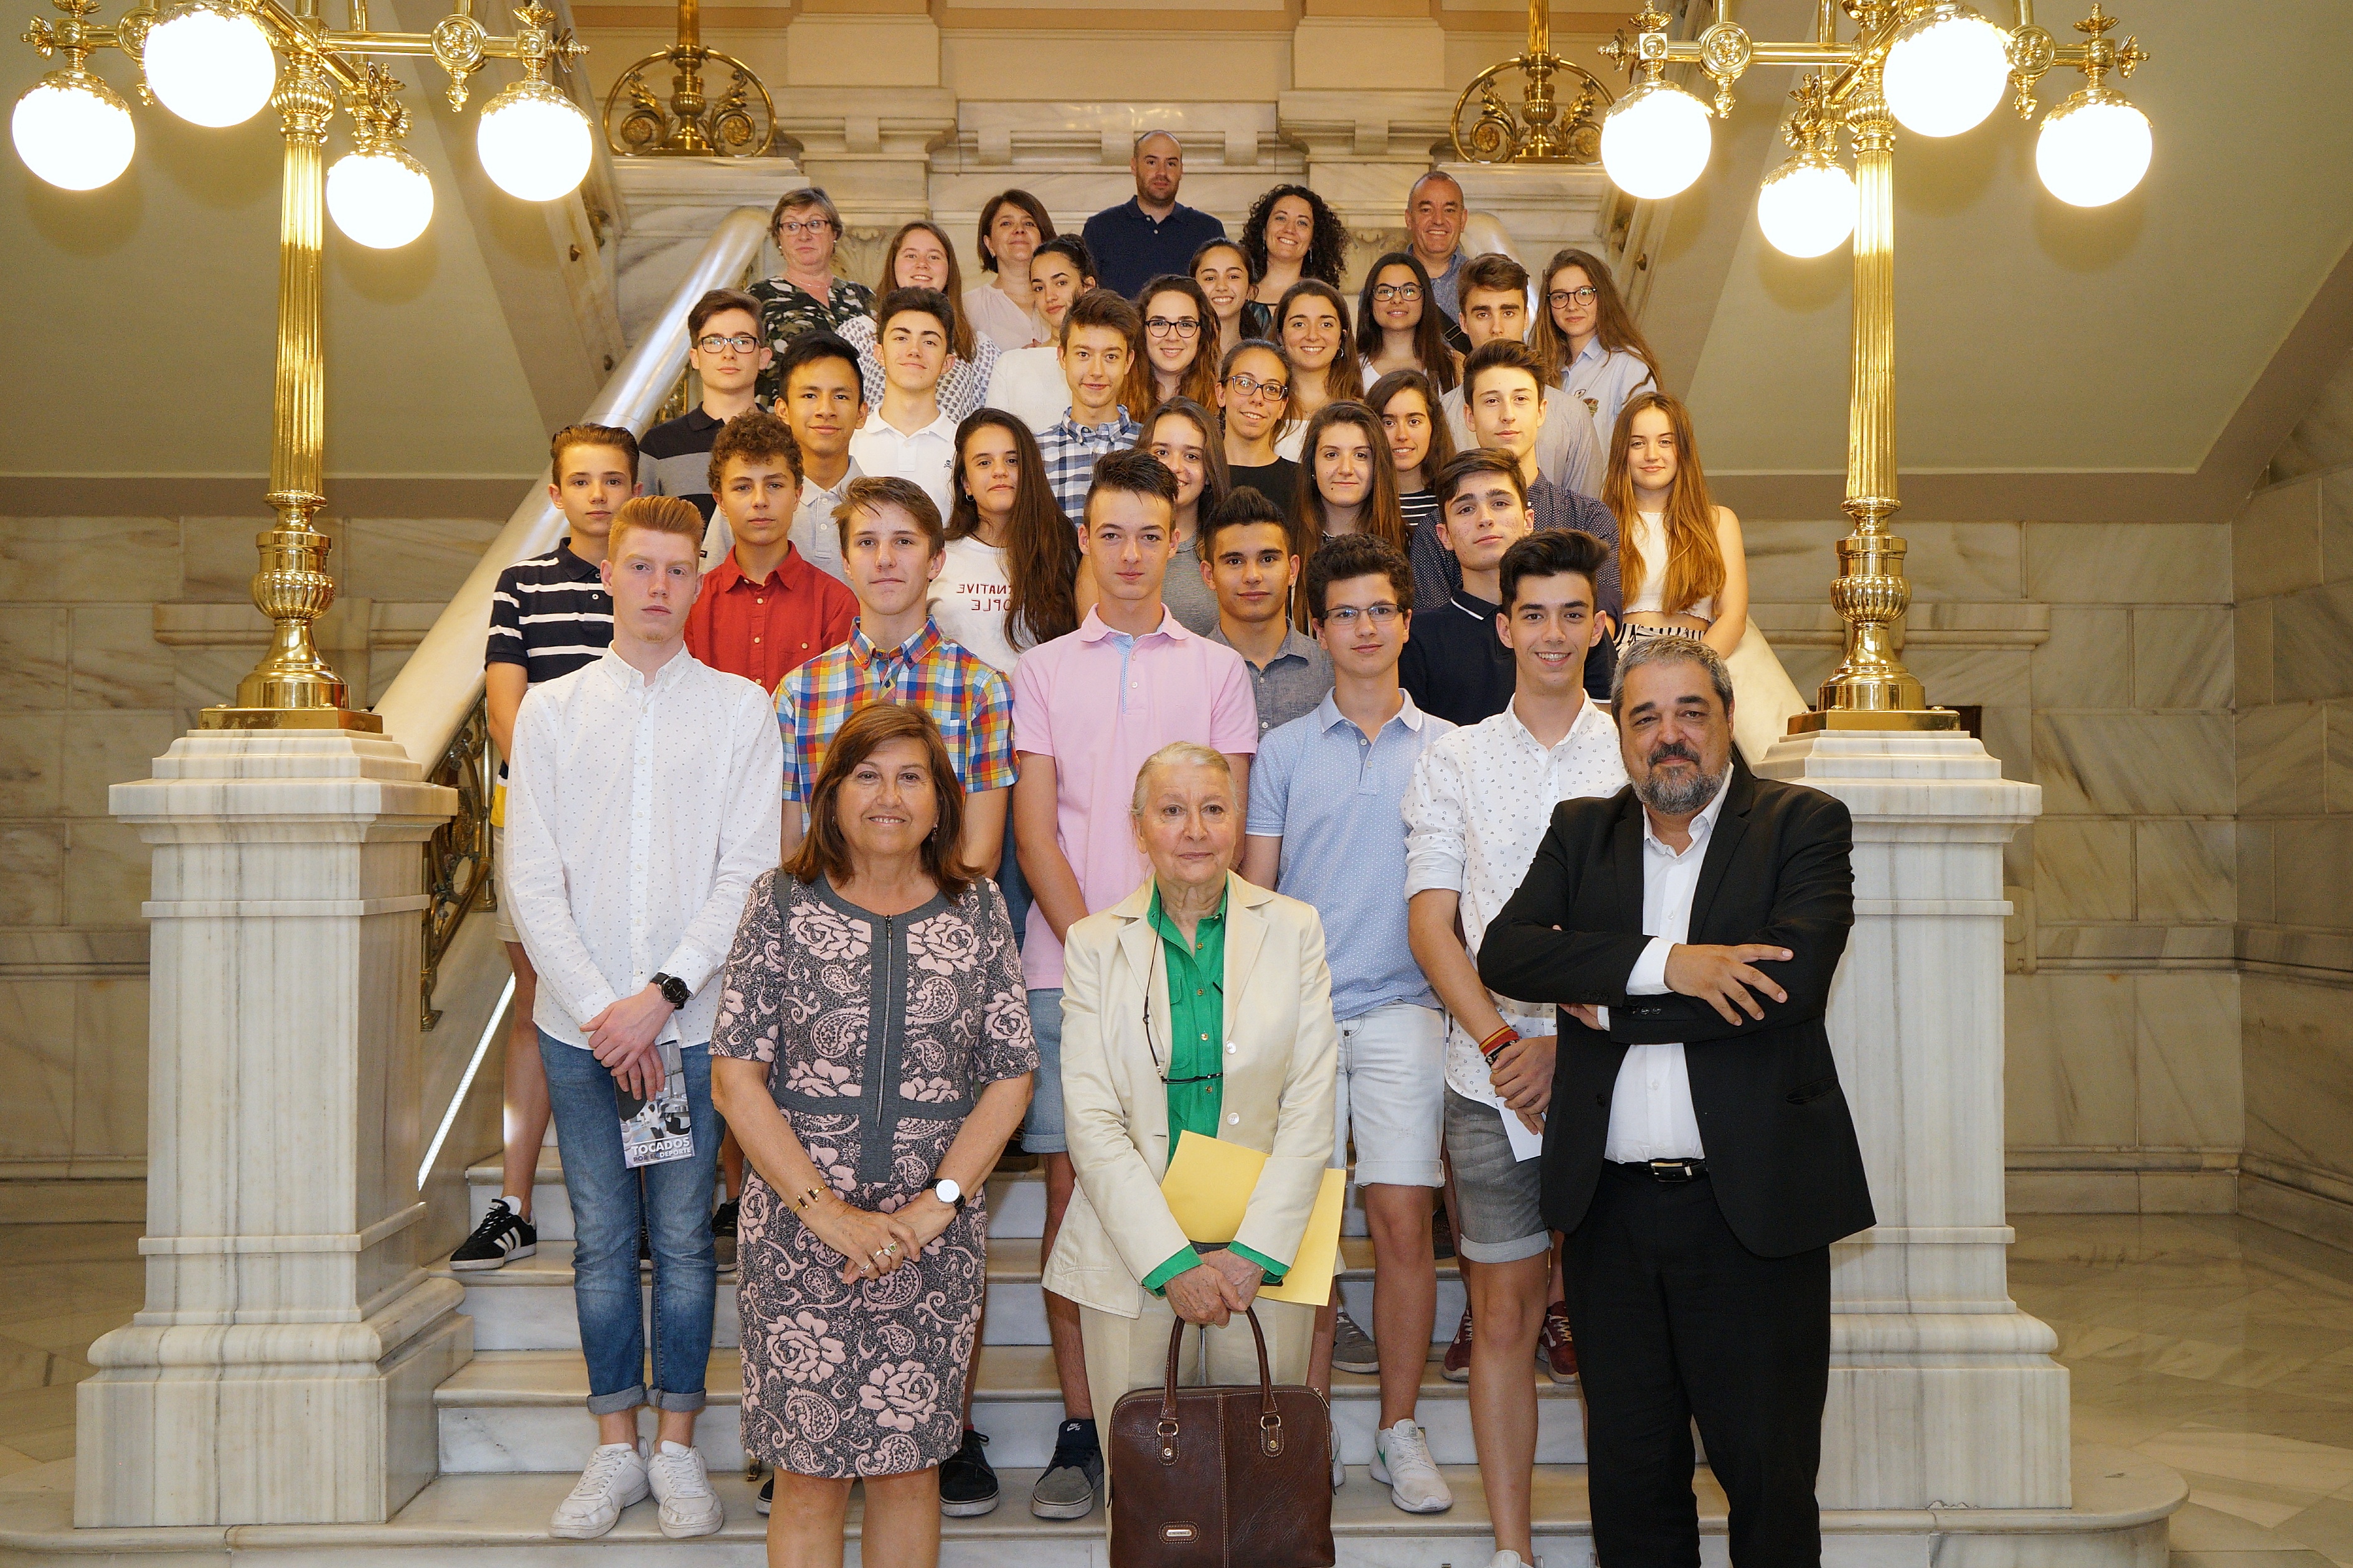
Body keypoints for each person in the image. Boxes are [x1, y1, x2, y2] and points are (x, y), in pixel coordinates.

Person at [1476, 634, 1869, 1568]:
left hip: (1751, 1214)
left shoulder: (1801, 823)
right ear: (1619, 733)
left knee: (1767, 1475)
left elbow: (1785, 987)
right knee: (1631, 1479)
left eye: (1690, 711)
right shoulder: (1582, 831)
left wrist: (1612, 1005)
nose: (1669, 735)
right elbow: (1508, 951)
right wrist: (1673, 964)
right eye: (1644, 716)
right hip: (1610, 1216)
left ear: (1726, 719)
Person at [504, 494, 783, 1542]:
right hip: (580, 1033)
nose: (659, 585)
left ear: (699, 577)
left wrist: (659, 997)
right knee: (601, 1242)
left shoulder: (741, 709)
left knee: (683, 1238)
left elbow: (747, 870)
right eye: (641, 566)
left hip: (693, 1025)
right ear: (607, 575)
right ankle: (614, 1443)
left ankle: (676, 1446)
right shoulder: (551, 709)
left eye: (678, 567)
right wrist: (601, 1010)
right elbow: (531, 877)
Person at [712, 700, 1037, 1560]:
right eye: (866, 774)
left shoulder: (978, 909)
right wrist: (831, 1216)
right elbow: (735, 1078)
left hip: (931, 1241)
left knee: (908, 1470)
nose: (888, 796)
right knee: (808, 1473)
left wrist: (933, 1207)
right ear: (831, 794)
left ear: (940, 802)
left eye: (909, 777)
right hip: (797, 1236)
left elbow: (1011, 1074)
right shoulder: (779, 902)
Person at [1009, 451, 1260, 1521]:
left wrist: (1166, 955)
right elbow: (1034, 830)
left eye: (1147, 535)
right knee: (1074, 1193)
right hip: (1068, 966)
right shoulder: (1038, 670)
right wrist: (1104, 952)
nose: (1126, 554)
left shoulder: (1217, 671)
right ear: (1084, 539)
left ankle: (1181, 1411)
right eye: (1108, 533)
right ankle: (1086, 1423)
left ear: (1174, 544)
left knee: (1192, 1186)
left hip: (1195, 968)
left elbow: (1222, 828)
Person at [1400, 527, 1624, 1568]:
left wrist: (1568, 1045)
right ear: (1503, 627)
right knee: (1500, 1314)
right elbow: (1431, 923)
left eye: (1570, 613)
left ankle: (1630, 1533)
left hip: (1616, 1070)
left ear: (1599, 625)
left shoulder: (1631, 749)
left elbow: (1655, 926)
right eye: (1531, 613)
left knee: (1619, 1316)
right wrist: (1501, 1042)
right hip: (1486, 1080)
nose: (1549, 633)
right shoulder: (1453, 756)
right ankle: (1510, 1548)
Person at [1041, 741, 1337, 1525]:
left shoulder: (1295, 928)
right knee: (1148, 1496)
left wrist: (1254, 1251)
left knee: (1261, 1491)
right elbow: (1091, 1119)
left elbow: (1311, 1102)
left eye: (1213, 808)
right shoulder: (1093, 943)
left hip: (1264, 1250)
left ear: (1238, 823)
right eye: (1172, 811)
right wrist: (1168, 1260)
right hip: (1132, 1249)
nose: (1195, 829)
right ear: (1138, 827)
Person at [1240, 533, 1454, 1516]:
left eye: (1380, 610)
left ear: (1405, 623)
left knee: (1403, 1218)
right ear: (1316, 630)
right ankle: (1310, 1419)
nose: (1363, 627)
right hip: (1304, 1018)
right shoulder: (1284, 751)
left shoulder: (1450, 747)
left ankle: (1398, 1427)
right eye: (1343, 613)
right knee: (1306, 1230)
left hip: (1408, 1009)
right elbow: (1255, 893)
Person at [456, 423, 636, 1277]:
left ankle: (643, 1204)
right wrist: (566, 810)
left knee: (639, 1000)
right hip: (539, 818)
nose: (599, 494)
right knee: (536, 999)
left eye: (614, 479)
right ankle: (516, 1205)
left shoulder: (650, 577)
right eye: (582, 480)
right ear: (557, 494)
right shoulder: (522, 584)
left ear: (635, 489)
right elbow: (505, 712)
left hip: (635, 825)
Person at [776, 475, 1014, 875]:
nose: (884, 559)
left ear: (935, 561)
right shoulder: (797, 694)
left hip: (944, 911)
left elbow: (980, 856)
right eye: (867, 542)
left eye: (903, 541)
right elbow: (790, 846)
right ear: (846, 561)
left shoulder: (982, 690)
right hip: (823, 912)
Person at [1459, 339, 1623, 700]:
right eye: (1491, 401)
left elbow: (1601, 620)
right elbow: (1441, 630)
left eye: (1521, 399)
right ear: (1469, 416)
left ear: (1541, 411)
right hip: (1467, 696)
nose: (1507, 415)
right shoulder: (1442, 526)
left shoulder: (1588, 516)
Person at [683, 408, 858, 698]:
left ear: (797, 495)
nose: (760, 501)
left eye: (774, 485)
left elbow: (841, 709)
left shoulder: (835, 604)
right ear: (721, 502)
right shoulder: (693, 602)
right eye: (743, 487)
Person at [1436, 254, 1606, 500]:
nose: (1497, 328)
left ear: (1526, 317)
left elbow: (1583, 509)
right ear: (1463, 322)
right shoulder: (1440, 415)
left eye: (1508, 313)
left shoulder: (1572, 416)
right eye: (1483, 314)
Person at [935, 410, 1083, 678]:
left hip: (1037, 703)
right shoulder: (938, 554)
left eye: (1012, 461)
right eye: (984, 463)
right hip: (951, 701)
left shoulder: (1063, 553)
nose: (1000, 472)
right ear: (966, 483)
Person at [1605, 389, 1748, 659]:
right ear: (1622, 452)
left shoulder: (1718, 522)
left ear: (1683, 449)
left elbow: (1733, 618)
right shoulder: (1600, 520)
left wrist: (1692, 669)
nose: (1652, 455)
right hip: (1619, 656)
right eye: (1638, 443)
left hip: (1698, 654)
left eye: (1665, 442)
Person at [1397, 451, 1532, 730]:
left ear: (1528, 521)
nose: (1485, 519)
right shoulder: (1416, 638)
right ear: (1444, 536)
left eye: (1500, 503)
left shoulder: (1569, 619)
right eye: (1466, 509)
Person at [842, 221, 1002, 426]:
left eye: (934, 257)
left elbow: (990, 424)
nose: (922, 264)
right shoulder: (857, 334)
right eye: (911, 255)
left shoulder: (980, 348)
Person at [641, 288, 771, 540]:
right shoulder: (659, 446)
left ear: (763, 357)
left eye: (743, 341)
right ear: (695, 358)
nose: (728, 354)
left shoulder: (789, 438)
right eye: (714, 342)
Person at [1201, 486, 1332, 735]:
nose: (1252, 576)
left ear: (1293, 570)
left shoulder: (1333, 669)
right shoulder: (1186, 673)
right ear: (1209, 575)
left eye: (1268, 559)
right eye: (1235, 561)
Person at [1110, 396, 1228, 635]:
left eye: (1192, 456)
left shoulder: (1227, 548)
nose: (1174, 467)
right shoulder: (1110, 543)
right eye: (1162, 452)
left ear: (1209, 472)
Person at [751, 187, 875, 403]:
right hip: (782, 419)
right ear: (779, 237)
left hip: (855, 417)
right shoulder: (758, 299)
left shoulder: (863, 297)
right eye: (792, 226)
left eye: (815, 224)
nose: (804, 236)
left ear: (834, 232)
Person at [846, 288, 961, 519]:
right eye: (901, 338)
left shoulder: (964, 447)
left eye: (929, 342)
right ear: (879, 353)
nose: (914, 351)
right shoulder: (848, 440)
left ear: (947, 363)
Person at [1534, 246, 1659, 451]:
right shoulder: (1543, 370)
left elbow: (1645, 447)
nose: (1572, 306)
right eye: (1560, 296)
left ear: (1602, 297)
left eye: (1584, 293)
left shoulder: (1628, 365)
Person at [1036, 288, 1144, 523]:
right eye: (1084, 354)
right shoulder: (1035, 452)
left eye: (1111, 357)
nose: (1097, 371)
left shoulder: (1150, 444)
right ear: (1063, 357)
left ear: (1128, 362)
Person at [1080, 130, 1227, 301]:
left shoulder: (1207, 229)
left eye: (1171, 164)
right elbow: (1085, 300)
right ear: (1134, 166)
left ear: (1181, 170)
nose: (1162, 172)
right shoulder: (1100, 228)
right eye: (1151, 162)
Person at [774, 331, 867, 587]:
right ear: (783, 410)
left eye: (841, 397)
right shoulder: (755, 502)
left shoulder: (881, 508)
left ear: (861, 413)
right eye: (810, 396)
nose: (825, 410)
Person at [988, 233, 1098, 433]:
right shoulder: (1011, 364)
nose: (1049, 296)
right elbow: (994, 438)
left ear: (1088, 286)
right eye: (1039, 288)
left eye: (1061, 283)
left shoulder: (1113, 359)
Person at [1367, 369, 1456, 609]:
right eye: (1388, 422)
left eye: (1414, 421)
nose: (1402, 435)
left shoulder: (1455, 502)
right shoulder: (1360, 503)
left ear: (1433, 426)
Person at [1295, 400, 1410, 557]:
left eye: (1360, 455)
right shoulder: (1285, 541)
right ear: (1312, 466)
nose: (1346, 469)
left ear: (1377, 467)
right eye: (1332, 455)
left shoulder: (1410, 544)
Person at [1357, 252, 1460, 393]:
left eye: (1409, 291)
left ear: (1425, 299)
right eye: (1385, 291)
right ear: (1370, 301)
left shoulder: (1454, 365)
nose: (1397, 299)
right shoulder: (1351, 369)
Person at [969, 189, 1058, 351]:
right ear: (989, 244)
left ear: (1044, 239)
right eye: (1006, 224)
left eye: (1029, 223)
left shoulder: (1065, 300)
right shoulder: (968, 308)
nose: (1019, 230)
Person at [1275, 279, 1361, 444]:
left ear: (1342, 338)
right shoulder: (1261, 405)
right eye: (1299, 324)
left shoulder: (1362, 412)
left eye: (1326, 324)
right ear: (1280, 336)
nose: (1312, 336)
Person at [1216, 338, 1298, 512]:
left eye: (1272, 389)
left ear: (1282, 406)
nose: (1257, 398)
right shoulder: (1196, 476)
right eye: (1245, 383)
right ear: (1221, 394)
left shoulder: (1301, 482)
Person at [1241, 183, 1346, 314]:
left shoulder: (1326, 300)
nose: (1290, 229)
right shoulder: (1238, 294)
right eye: (1281, 218)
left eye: (1302, 223)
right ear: (1263, 231)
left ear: (1313, 240)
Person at [1129, 274, 1222, 413]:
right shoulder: (1114, 403)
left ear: (1202, 333)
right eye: (1159, 323)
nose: (1172, 337)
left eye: (1185, 324)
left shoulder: (1222, 405)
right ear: (1142, 330)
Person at [1405, 171, 1470, 334]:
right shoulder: (1383, 284)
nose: (1438, 220)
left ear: (1463, 220)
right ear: (1409, 219)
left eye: (1449, 210)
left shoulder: (1481, 281)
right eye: (1426, 210)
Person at [1192, 237, 1256, 357]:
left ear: (1250, 290)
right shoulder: (1180, 356)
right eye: (1210, 278)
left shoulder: (1261, 358)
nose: (1221, 287)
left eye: (1233, 277)